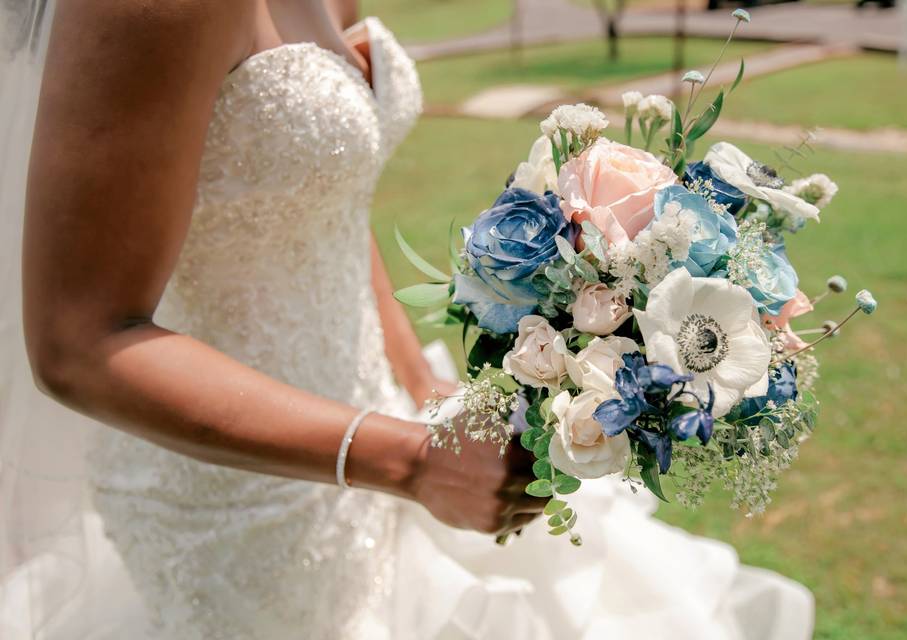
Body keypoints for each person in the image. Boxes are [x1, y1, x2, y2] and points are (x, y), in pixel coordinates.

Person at [0, 1, 814, 638]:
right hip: (229, 496)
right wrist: (411, 460)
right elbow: (81, 341)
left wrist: (425, 387)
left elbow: (321, 203)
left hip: (377, 408)